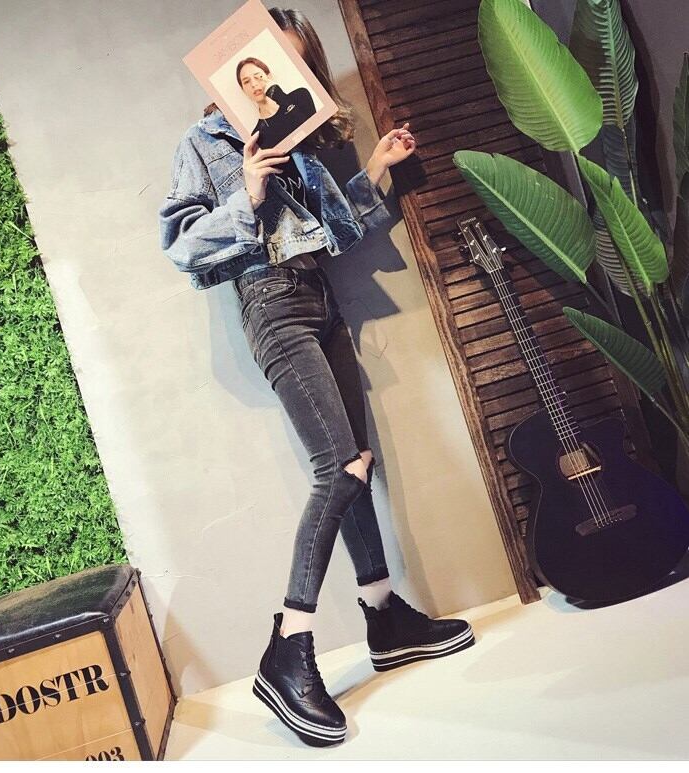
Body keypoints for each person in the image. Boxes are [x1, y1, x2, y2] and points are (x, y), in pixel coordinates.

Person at [158, 6, 474, 748]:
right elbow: (180, 244)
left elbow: (337, 232)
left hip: (320, 300)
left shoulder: (301, 141)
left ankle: (384, 617)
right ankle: (288, 644)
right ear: (231, 77)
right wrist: (247, 191)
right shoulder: (203, 145)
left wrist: (377, 168)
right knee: (339, 468)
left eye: (289, 63)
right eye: (258, 67)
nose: (269, 80)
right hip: (270, 303)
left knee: (360, 464)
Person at [235, 55, 316, 150]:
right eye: (246, 82)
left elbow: (316, 135)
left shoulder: (300, 95)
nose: (254, 84)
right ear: (244, 90)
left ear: (269, 76)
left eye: (258, 76)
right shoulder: (257, 135)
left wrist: (279, 96)